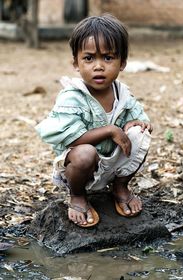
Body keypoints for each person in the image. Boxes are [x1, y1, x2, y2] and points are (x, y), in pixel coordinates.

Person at [36, 14, 153, 228]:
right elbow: (72, 138)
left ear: (122, 63)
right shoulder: (72, 96)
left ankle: (120, 187)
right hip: (80, 168)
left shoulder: (123, 93)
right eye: (89, 58)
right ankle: (78, 196)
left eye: (108, 58)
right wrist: (110, 130)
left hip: (111, 165)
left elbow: (140, 119)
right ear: (76, 63)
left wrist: (134, 123)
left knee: (140, 134)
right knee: (85, 153)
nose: (98, 66)